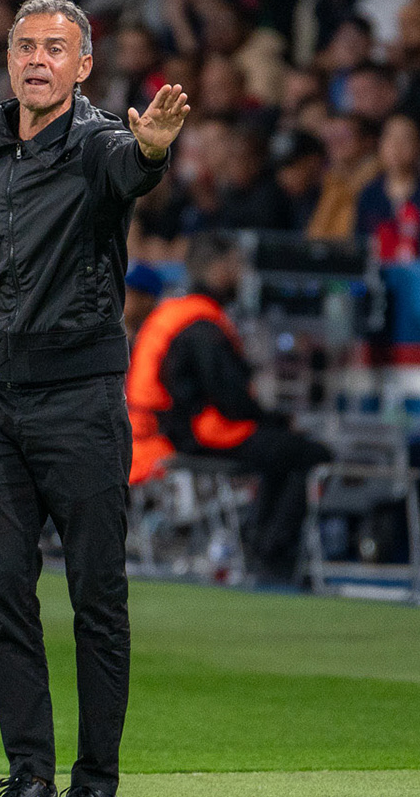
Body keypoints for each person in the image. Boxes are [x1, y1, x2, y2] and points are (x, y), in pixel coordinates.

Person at [0, 0, 189, 797]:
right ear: (8, 61)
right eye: (24, 47)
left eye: (55, 48)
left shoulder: (101, 145)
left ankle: (99, 788)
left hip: (81, 399)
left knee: (96, 595)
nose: (37, 59)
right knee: (5, 591)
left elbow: (134, 167)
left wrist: (152, 150)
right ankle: (28, 782)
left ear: (84, 67)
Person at [127, 232, 332, 583]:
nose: (241, 275)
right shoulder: (202, 323)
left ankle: (262, 548)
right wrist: (279, 421)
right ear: (218, 269)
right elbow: (234, 401)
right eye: (235, 265)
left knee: (281, 452)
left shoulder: (173, 313)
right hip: (189, 436)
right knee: (309, 453)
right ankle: (273, 557)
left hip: (152, 434)